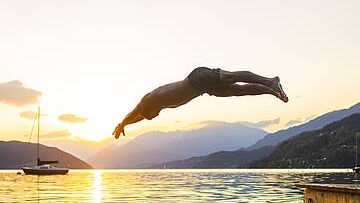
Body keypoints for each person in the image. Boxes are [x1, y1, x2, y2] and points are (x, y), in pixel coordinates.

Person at [113, 67, 288, 138]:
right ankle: (272, 91)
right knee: (239, 91)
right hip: (202, 88)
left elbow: (134, 113)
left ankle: (269, 81)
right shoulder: (156, 106)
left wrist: (122, 124)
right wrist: (127, 125)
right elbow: (139, 117)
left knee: (232, 77)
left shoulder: (148, 100)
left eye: (149, 116)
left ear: (148, 110)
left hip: (197, 78)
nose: (152, 117)